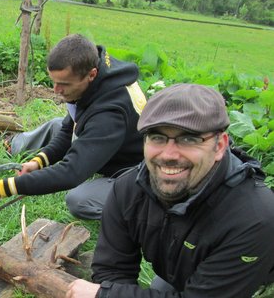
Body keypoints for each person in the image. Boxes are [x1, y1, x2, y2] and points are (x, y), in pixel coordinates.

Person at [66, 84, 274, 298]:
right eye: (157, 137)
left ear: (220, 146)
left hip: (242, 283)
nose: (169, 154)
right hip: (181, 273)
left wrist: (106, 296)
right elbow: (112, 270)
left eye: (189, 139)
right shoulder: (129, 189)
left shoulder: (253, 218)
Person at [0, 34, 146, 227]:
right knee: (56, 124)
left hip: (133, 172)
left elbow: (71, 173)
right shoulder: (97, 75)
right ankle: (5, 146)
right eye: (54, 81)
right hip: (110, 147)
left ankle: (144, 211)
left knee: (79, 200)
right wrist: (39, 162)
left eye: (64, 84)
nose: (55, 90)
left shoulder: (110, 112)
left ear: (91, 74)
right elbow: (69, 129)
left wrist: (6, 187)